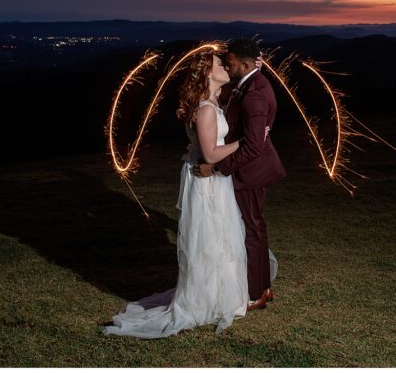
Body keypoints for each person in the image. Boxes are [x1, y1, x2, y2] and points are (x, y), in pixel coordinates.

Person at [103, 53, 248, 338]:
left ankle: (220, 295)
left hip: (213, 179)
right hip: (207, 180)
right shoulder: (206, 109)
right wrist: (244, 143)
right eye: (220, 64)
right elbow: (210, 153)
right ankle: (204, 299)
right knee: (209, 236)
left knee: (219, 235)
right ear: (207, 74)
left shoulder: (213, 102)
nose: (226, 67)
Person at [194, 38, 286, 310]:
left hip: (250, 173)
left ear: (245, 64)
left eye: (230, 63)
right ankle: (263, 287)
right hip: (249, 171)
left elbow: (254, 146)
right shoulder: (251, 83)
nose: (227, 66)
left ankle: (255, 294)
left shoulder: (255, 92)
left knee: (251, 230)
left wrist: (217, 168)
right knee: (254, 227)